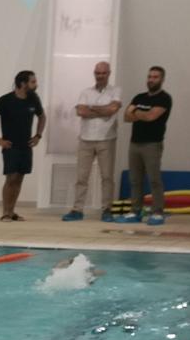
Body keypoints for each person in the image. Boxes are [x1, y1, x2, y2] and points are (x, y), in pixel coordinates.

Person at [64, 63, 123, 222]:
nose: (100, 75)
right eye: (97, 73)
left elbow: (112, 110)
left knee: (107, 177)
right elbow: (80, 111)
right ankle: (77, 210)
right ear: (94, 74)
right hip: (85, 140)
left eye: (103, 73)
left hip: (106, 139)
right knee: (81, 177)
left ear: (109, 73)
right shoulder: (85, 92)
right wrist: (103, 110)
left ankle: (107, 210)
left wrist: (92, 108)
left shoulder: (115, 91)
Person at [0, 72, 44, 222]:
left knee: (19, 179)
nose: (36, 85)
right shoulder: (6, 100)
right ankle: (5, 212)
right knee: (11, 178)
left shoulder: (33, 99)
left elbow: (42, 117)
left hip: (26, 146)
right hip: (11, 146)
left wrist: (38, 135)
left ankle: (11, 212)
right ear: (23, 84)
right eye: (33, 82)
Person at [122, 66, 173, 226]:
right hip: (135, 143)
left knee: (154, 179)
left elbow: (151, 116)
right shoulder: (139, 97)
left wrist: (135, 112)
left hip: (152, 144)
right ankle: (135, 211)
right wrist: (139, 114)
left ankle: (157, 212)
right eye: (149, 76)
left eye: (155, 77)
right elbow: (126, 117)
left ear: (162, 79)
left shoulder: (164, 98)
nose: (151, 80)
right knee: (135, 180)